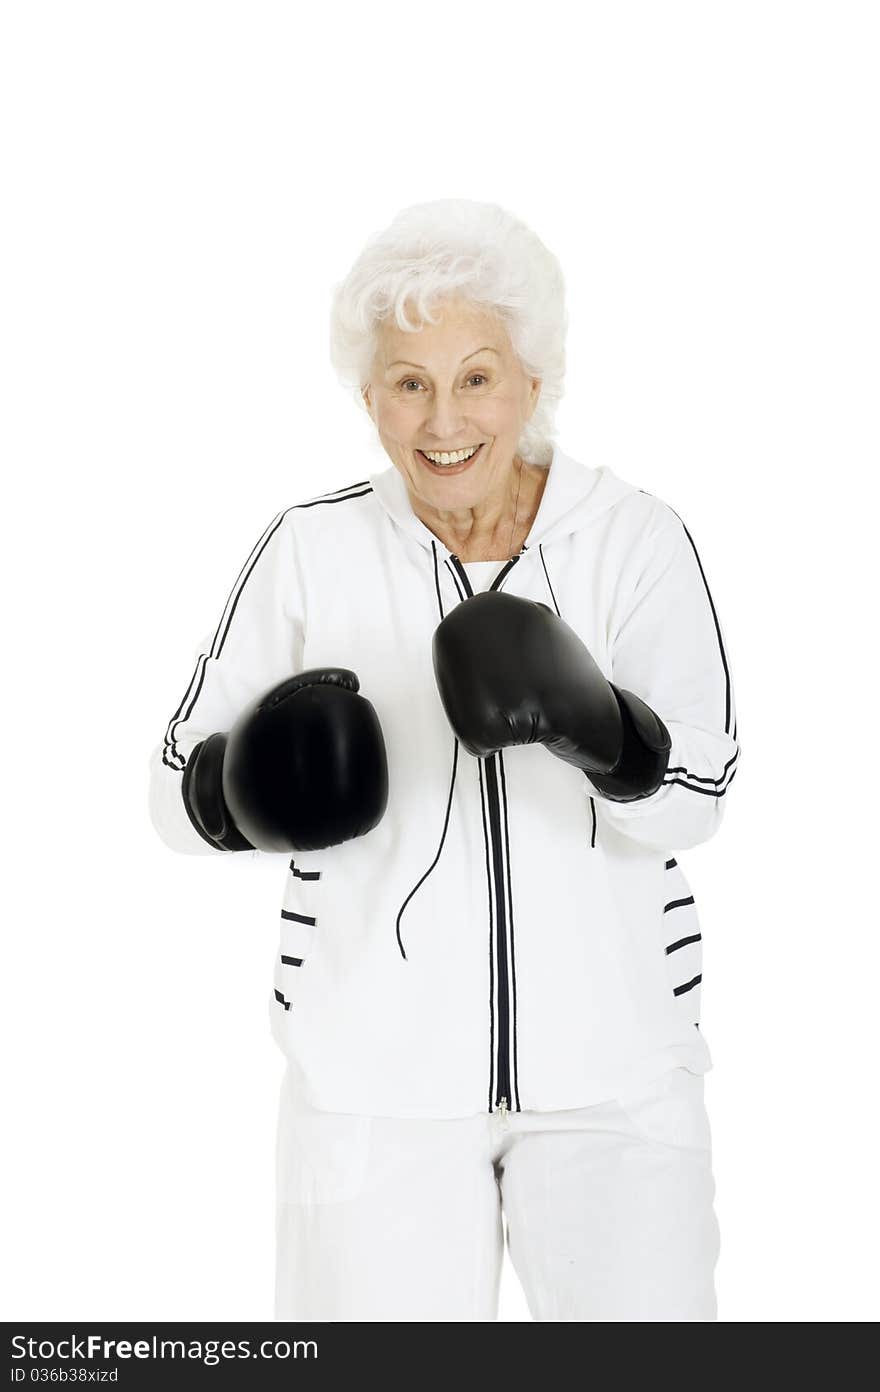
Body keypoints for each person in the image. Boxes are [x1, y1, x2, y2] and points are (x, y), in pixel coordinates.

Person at [148, 198, 741, 1322]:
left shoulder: (633, 538)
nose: (441, 417)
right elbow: (170, 789)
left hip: (618, 1077)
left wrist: (609, 731)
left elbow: (702, 794)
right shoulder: (309, 548)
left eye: (475, 377)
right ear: (370, 396)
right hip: (368, 1082)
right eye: (406, 382)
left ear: (531, 381)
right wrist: (239, 789)